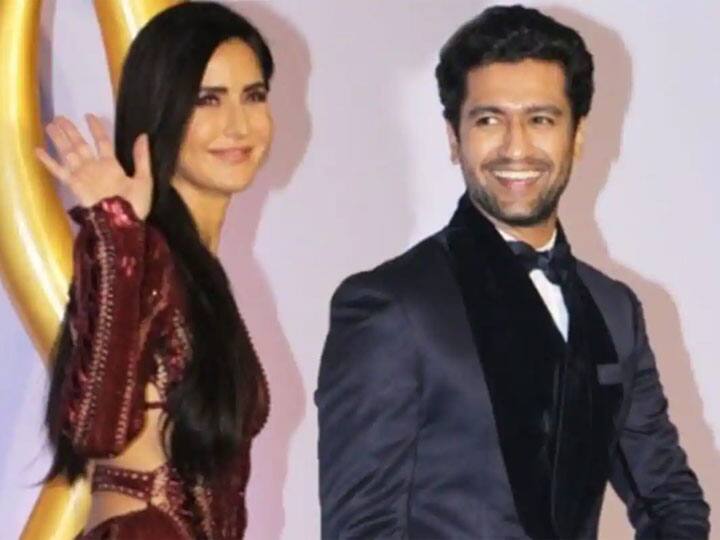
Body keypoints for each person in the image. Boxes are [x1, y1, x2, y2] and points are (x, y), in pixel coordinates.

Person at [316, 5, 709, 539]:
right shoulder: (390, 307)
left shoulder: (615, 309)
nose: (516, 146)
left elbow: (671, 500)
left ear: (577, 135)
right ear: (453, 137)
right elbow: (361, 531)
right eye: (489, 120)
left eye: (541, 119)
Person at [37, 3, 273, 538]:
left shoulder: (195, 266)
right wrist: (116, 230)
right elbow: (95, 428)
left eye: (254, 95)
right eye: (207, 99)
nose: (238, 124)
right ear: (161, 109)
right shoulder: (142, 252)